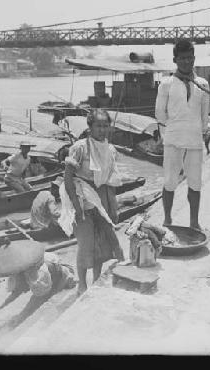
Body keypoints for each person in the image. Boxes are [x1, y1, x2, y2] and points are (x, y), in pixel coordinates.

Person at [59, 108, 125, 296]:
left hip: (102, 197)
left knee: (102, 243)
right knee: (86, 244)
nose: (102, 130)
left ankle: (96, 279)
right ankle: (82, 284)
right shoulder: (80, 147)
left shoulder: (110, 150)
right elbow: (68, 178)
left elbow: (111, 181)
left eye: (106, 126)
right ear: (90, 127)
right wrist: (77, 207)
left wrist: (113, 207)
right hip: (82, 197)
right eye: (98, 126)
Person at [155, 39, 210, 231]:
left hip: (194, 141)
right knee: (170, 181)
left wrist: (200, 132)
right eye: (182, 58)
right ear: (175, 59)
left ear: (194, 58)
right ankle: (168, 219)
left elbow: (205, 116)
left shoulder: (203, 84)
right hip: (172, 141)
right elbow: (160, 113)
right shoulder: (166, 83)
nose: (186, 62)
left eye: (190, 58)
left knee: (195, 182)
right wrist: (170, 131)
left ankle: (194, 222)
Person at [0, 249, 76, 326]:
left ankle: (68, 281)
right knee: (27, 310)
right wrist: (0, 306)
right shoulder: (22, 268)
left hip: (61, 274)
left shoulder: (39, 273)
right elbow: (16, 292)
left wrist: (21, 316)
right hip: (52, 274)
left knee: (36, 305)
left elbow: (36, 299)